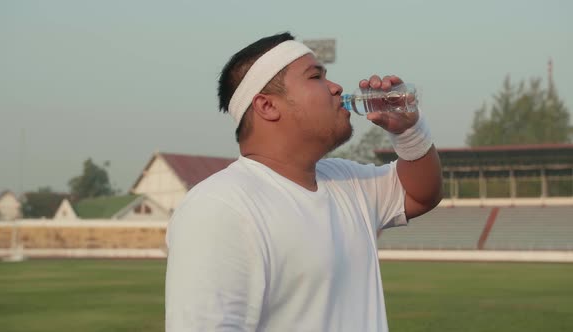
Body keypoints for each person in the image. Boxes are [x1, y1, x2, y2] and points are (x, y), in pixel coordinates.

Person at [165, 32, 442, 331]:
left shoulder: (345, 180)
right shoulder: (220, 206)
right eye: (316, 77)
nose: (336, 88)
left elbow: (420, 194)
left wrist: (410, 131)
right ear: (267, 106)